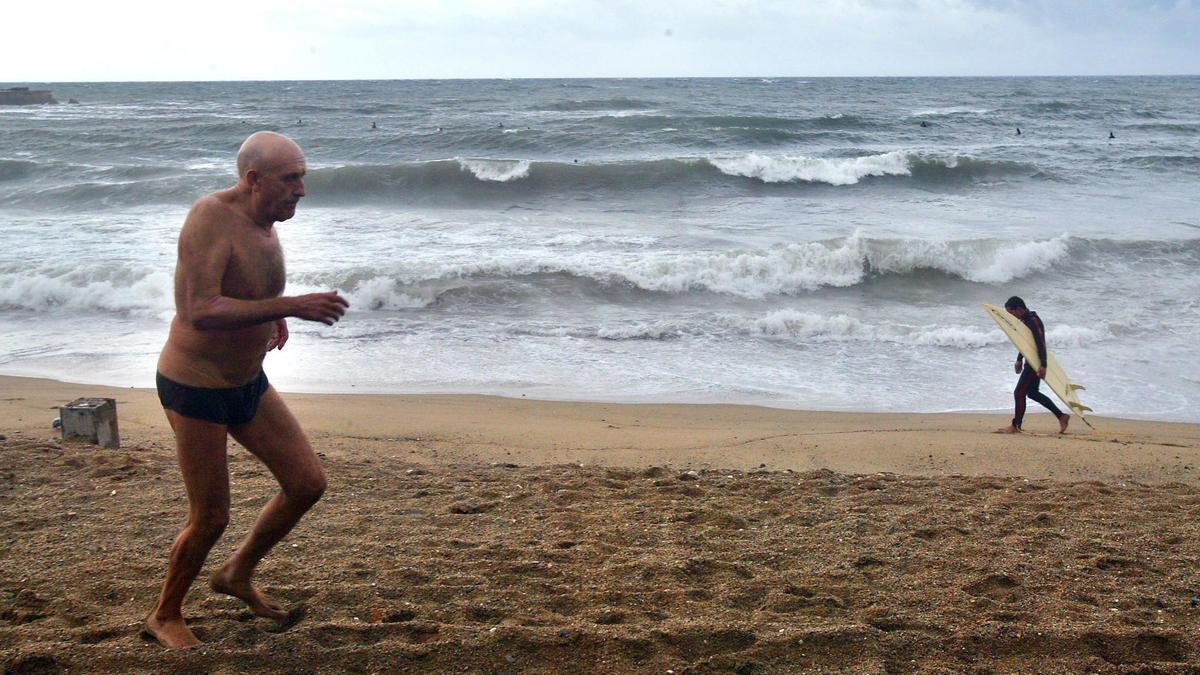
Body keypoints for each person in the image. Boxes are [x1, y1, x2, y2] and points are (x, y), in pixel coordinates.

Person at [145, 131, 349, 649]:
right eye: (291, 178)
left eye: (303, 176)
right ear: (253, 179)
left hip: (247, 382)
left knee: (306, 483)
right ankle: (165, 615)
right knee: (211, 517)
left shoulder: (266, 218)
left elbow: (250, 288)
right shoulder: (211, 217)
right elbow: (200, 309)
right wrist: (289, 307)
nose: (302, 189)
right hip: (196, 387)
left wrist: (271, 321)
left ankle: (236, 574)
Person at [995, 296, 1069, 434]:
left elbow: (1041, 343)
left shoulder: (1033, 321)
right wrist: (1019, 359)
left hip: (1035, 363)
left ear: (1019, 309)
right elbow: (1026, 344)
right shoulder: (1024, 320)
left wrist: (1043, 365)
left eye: (1012, 313)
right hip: (1031, 360)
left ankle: (1016, 426)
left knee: (1019, 393)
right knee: (1033, 393)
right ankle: (1062, 416)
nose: (1012, 317)